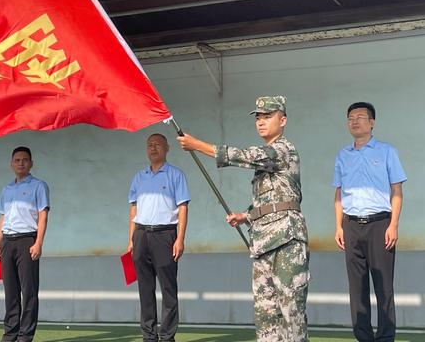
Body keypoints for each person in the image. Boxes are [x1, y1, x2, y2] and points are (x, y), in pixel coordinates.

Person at [178, 95, 309, 342]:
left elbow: (245, 156)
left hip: (286, 240)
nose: (261, 122)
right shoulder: (268, 159)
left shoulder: (282, 149)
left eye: (267, 116)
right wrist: (246, 215)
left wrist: (199, 145)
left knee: (291, 313)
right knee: (266, 315)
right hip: (263, 242)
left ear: (283, 120)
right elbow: (272, 198)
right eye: (258, 118)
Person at [333, 102, 406, 342]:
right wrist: (339, 226)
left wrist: (393, 225)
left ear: (372, 122)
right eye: (350, 117)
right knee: (357, 288)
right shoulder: (343, 155)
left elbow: (397, 190)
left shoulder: (387, 151)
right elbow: (338, 193)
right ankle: (362, 337)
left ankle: (385, 337)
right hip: (351, 226)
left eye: (361, 117)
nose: (355, 121)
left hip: (380, 225)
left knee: (384, 287)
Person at [128, 133, 190, 342]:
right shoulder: (139, 176)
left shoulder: (176, 175)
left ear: (166, 148)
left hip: (165, 235)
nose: (153, 148)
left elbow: (182, 208)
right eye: (149, 145)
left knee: (168, 289)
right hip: (141, 235)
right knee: (145, 289)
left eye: (157, 145)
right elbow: (134, 208)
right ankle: (148, 335)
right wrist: (131, 239)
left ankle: (167, 336)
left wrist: (180, 238)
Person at [0, 146, 50, 342]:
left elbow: (43, 216)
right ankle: (10, 333)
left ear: (31, 163)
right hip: (8, 242)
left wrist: (39, 242)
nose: (21, 163)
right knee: (11, 291)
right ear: (11, 164)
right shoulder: (6, 189)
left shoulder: (39, 186)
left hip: (27, 241)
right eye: (17, 160)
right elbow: (2, 217)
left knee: (29, 291)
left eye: (25, 160)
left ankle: (25, 335)